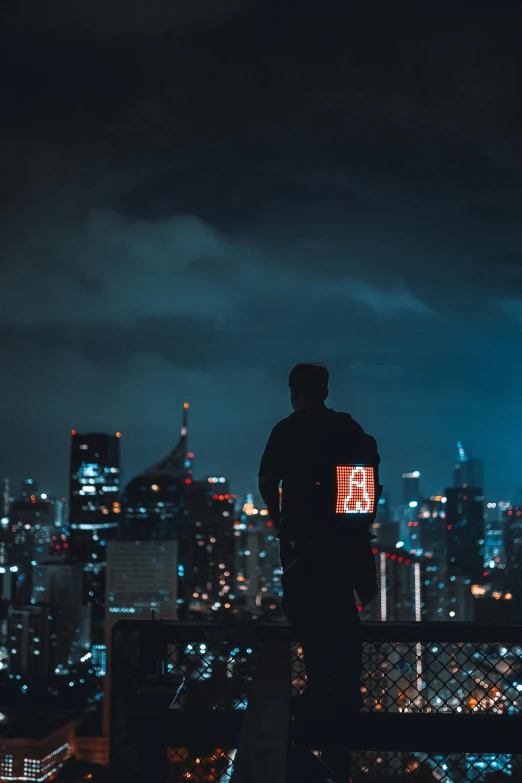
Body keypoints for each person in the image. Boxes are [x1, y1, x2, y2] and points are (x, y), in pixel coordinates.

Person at [258, 363, 381, 715]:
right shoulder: (350, 430)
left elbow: (267, 482)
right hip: (346, 540)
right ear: (325, 391)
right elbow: (362, 488)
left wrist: (278, 518)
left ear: (294, 392)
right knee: (343, 614)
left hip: (304, 541)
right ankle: (348, 693)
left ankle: (320, 690)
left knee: (307, 614)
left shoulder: (288, 430)